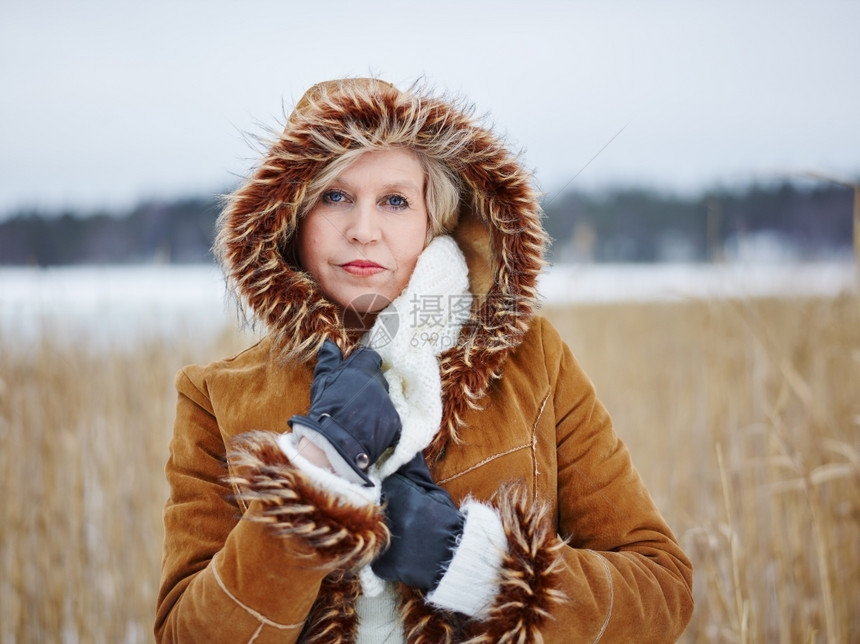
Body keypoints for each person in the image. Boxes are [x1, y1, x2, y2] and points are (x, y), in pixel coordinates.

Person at [155, 77, 694, 643]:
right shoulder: (217, 396)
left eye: (395, 201)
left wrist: (476, 565)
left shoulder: (532, 360)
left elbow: (660, 592)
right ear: (289, 219)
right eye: (334, 196)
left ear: (433, 219)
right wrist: (315, 468)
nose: (363, 231)